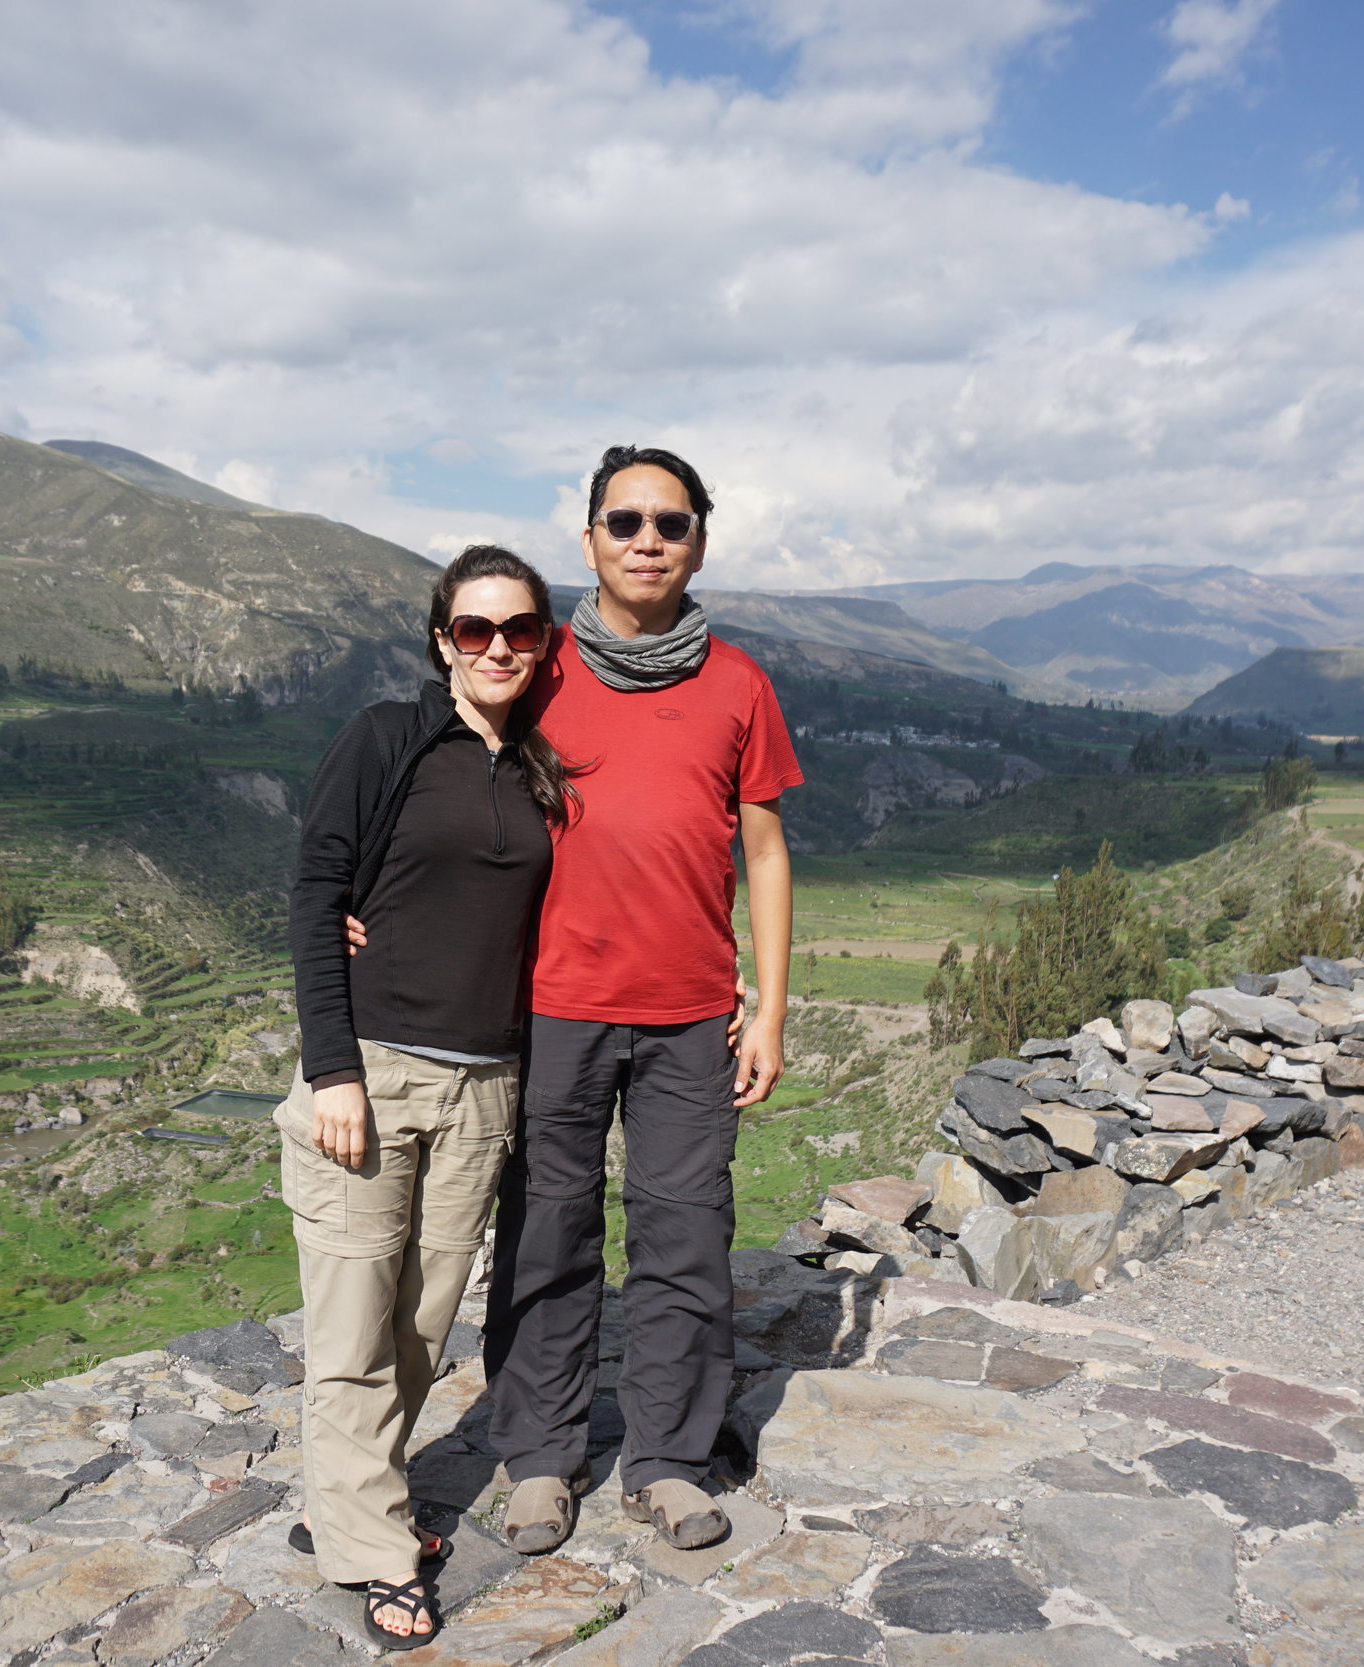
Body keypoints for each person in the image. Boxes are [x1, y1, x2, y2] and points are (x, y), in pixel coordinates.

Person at [488, 444, 801, 1554]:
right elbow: (441, 792)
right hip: (554, 1005)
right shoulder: (532, 668)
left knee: (685, 1235)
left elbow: (762, 849)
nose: (647, 539)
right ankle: (540, 1454)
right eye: (624, 521)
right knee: (545, 1232)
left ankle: (668, 1455)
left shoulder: (739, 683)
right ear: (588, 541)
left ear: (699, 541)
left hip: (688, 1013)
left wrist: (765, 1007)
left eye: (670, 522)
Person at [281, 545, 576, 1649]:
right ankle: (378, 1553)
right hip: (375, 1069)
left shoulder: (540, 765)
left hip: (485, 1084)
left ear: (543, 641)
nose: (497, 647)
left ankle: (348, 1498)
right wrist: (333, 1068)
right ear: (441, 640)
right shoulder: (387, 740)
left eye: (518, 629)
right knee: (354, 1325)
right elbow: (316, 893)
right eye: (472, 629)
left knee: (416, 1327)